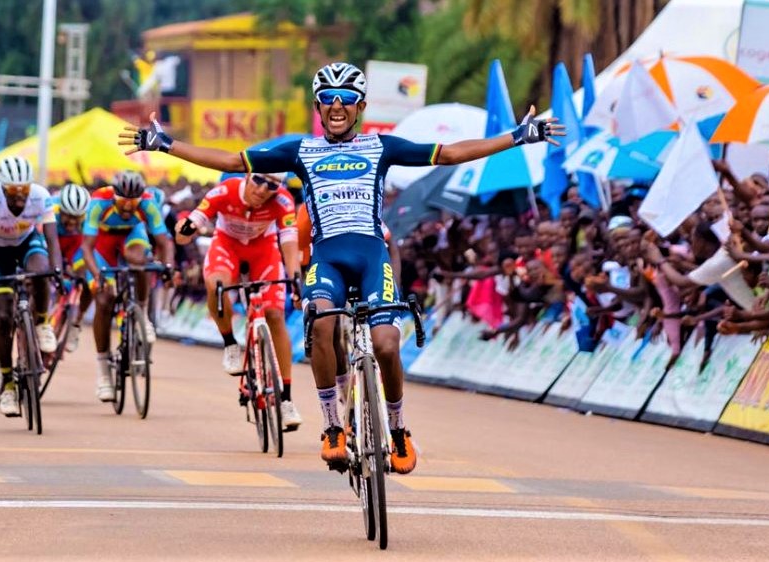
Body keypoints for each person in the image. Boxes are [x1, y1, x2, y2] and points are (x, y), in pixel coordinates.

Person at [120, 61, 564, 474]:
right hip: (327, 259)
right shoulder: (301, 150)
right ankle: (333, 424)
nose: (337, 105)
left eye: (346, 98)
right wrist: (166, 144)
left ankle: (399, 430)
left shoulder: (381, 147)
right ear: (318, 107)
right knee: (320, 324)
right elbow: (233, 161)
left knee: (386, 345)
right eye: (327, 98)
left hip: (371, 257)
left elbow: (449, 153)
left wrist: (517, 137)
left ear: (360, 106)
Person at [175, 172, 304, 430]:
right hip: (227, 246)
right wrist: (185, 229)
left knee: (275, 316)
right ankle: (230, 344)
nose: (263, 189)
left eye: (272, 185)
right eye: (259, 180)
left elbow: (290, 243)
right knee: (217, 286)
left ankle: (286, 399)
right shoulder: (225, 190)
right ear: (247, 176)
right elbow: (191, 225)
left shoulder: (283, 201)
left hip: (263, 252)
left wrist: (295, 280)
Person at [0, 156, 62, 417]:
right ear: (3, 189)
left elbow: (52, 238)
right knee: (3, 316)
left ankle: (42, 322)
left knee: (42, 271)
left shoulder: (41, 195)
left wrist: (57, 269)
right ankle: (7, 384)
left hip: (26, 243)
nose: (20, 197)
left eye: (24, 190)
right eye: (14, 192)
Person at [80, 171, 165, 401]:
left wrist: (167, 267)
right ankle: (103, 374)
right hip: (102, 244)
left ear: (140, 197)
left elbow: (164, 241)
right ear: (114, 195)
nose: (128, 205)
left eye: (133, 201)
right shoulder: (99, 201)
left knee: (141, 263)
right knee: (104, 301)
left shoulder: (148, 202)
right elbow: (86, 247)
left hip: (132, 236)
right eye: (123, 200)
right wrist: (97, 276)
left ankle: (142, 315)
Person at [53, 182, 91, 352]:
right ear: (61, 210)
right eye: (68, 216)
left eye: (77, 218)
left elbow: (89, 246)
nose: (72, 222)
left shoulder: (89, 218)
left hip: (74, 245)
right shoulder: (50, 211)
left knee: (88, 279)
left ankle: (76, 324)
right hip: (51, 240)